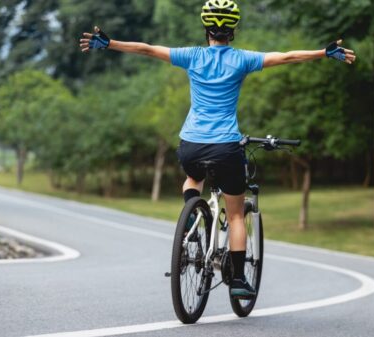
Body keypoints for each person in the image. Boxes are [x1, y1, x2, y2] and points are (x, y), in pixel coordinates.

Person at [80, 0, 356, 299]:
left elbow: (147, 48)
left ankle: (191, 215)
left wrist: (109, 43)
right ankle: (237, 280)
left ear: (206, 29)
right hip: (226, 146)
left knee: (192, 179)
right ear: (232, 30)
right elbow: (287, 57)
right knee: (236, 215)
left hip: (192, 145)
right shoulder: (242, 59)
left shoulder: (192, 56)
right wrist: (323, 52)